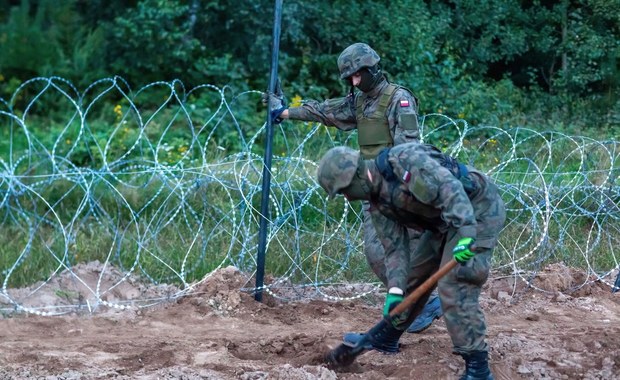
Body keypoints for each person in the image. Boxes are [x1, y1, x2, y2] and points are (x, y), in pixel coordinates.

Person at [265, 42, 443, 333]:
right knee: (377, 253)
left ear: (372, 69)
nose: (354, 82)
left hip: (399, 190)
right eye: (350, 79)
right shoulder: (359, 102)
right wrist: (284, 112)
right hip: (371, 190)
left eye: (358, 76)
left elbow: (409, 152)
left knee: (404, 252)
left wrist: (403, 192)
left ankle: (424, 303)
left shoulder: (398, 99)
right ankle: (422, 302)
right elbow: (325, 112)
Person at [316, 143, 506, 380]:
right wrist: (395, 293)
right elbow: (395, 249)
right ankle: (388, 336)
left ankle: (478, 369)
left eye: (345, 190)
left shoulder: (404, 161)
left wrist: (467, 235)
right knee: (413, 277)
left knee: (455, 283)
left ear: (357, 176)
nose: (347, 196)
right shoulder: (377, 203)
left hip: (475, 211)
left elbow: (450, 189)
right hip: (443, 222)